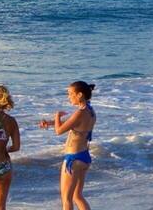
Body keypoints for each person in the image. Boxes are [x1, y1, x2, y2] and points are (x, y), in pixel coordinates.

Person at [40, 81, 98, 210]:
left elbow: (59, 131)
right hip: (84, 157)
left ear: (79, 95)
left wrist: (57, 116)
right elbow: (72, 123)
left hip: (73, 159)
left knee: (66, 199)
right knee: (77, 196)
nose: (68, 97)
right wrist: (51, 123)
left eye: (70, 94)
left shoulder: (79, 113)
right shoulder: (89, 110)